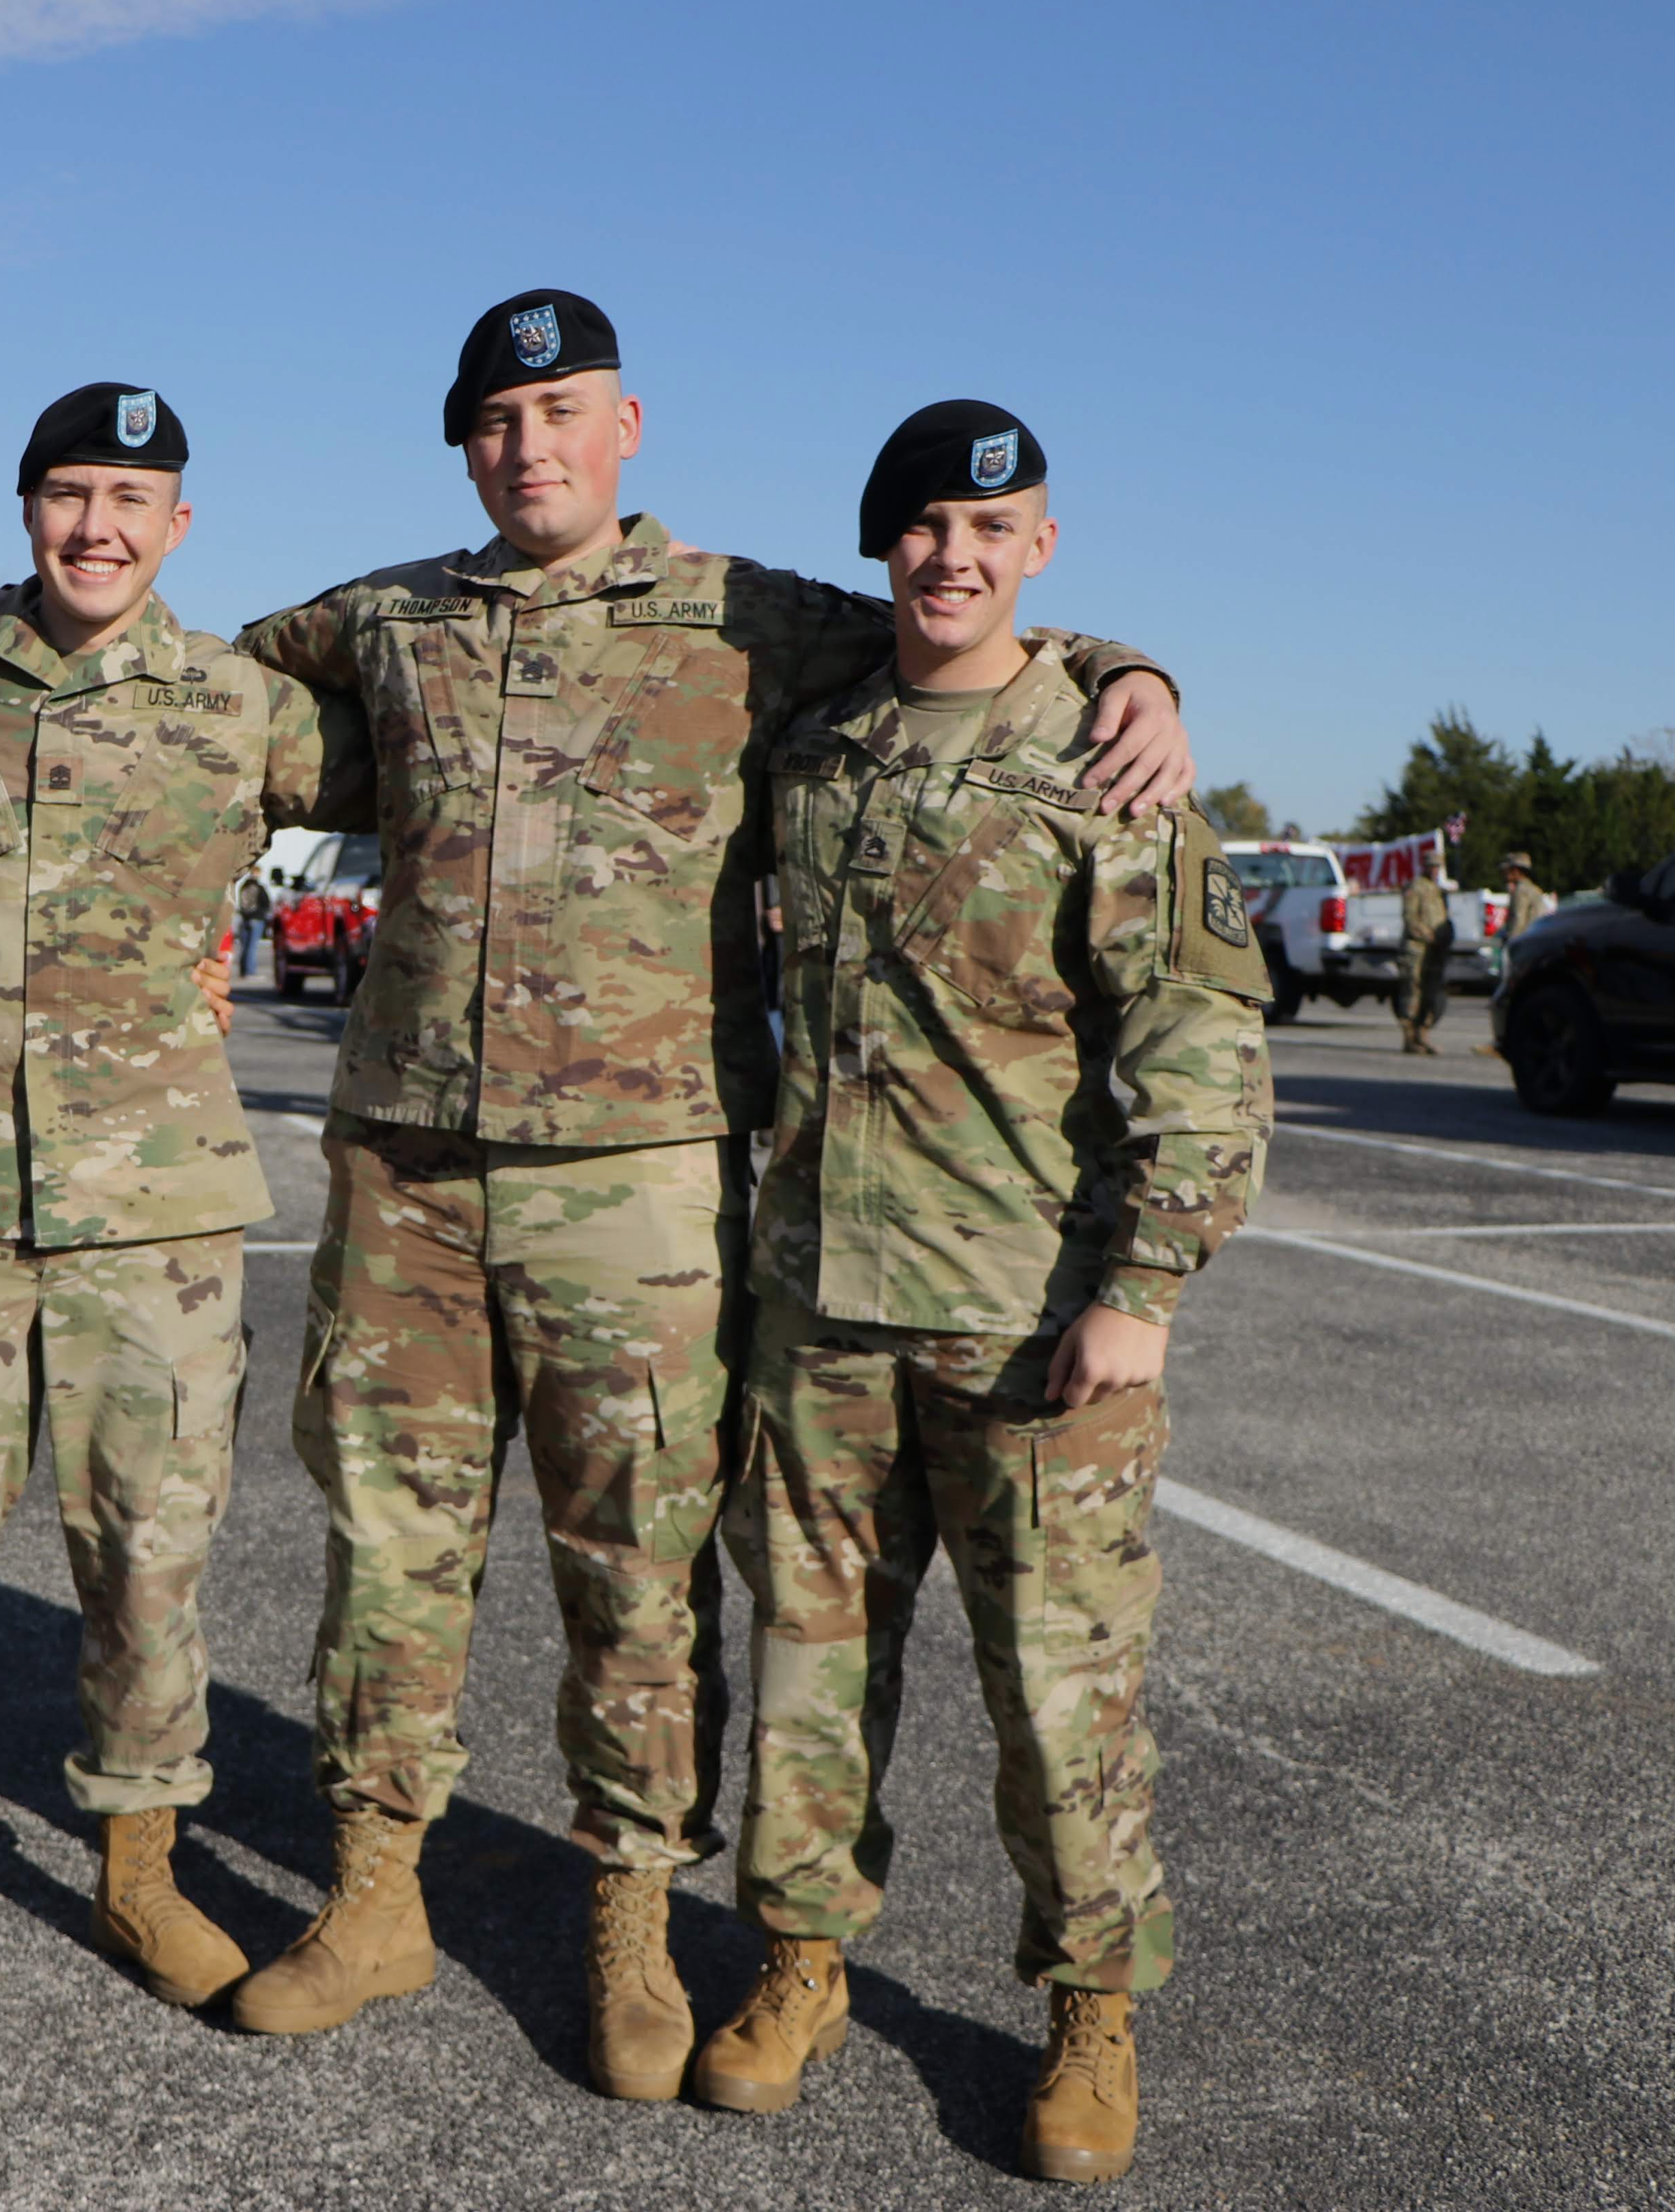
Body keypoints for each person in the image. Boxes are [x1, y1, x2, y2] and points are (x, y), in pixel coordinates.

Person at [203, 293, 1192, 2100]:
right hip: (407, 1174)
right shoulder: (387, 616)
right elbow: (198, 676)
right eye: (497, 420)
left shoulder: (744, 619)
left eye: (562, 410)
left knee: (638, 1573)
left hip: (640, 1182)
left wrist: (1139, 674)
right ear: (463, 444)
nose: (530, 445)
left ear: (628, 423)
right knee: (390, 1555)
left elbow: (963, 627)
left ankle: (632, 1927)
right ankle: (369, 1895)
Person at [696, 403, 1269, 2183]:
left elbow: (1199, 1039)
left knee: (1061, 1693)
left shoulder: (1109, 766)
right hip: (819, 1315)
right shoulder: (815, 751)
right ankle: (797, 1966)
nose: (952, 555)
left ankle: (1091, 2013)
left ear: (1041, 548)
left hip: (1033, 1322)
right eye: (923, 526)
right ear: (885, 547)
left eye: (988, 527)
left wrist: (1146, 1282)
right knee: (806, 1671)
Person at [0, 384, 367, 2011]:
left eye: (130, 498)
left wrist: (1128, 674)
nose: (95, 526)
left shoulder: (246, 707)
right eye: (67, 494)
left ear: (180, 524)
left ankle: (138, 1871)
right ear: (22, 508)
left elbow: (452, 754)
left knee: (147, 1559)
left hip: (153, 1213)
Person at [1398, 862, 1450, 1053]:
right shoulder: (1416, 887)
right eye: (1432, 867)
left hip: (1434, 950)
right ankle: (1409, 1038)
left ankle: (1423, 1034)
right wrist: (1429, 936)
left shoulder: (1437, 890)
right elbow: (1410, 918)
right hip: (1417, 948)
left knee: (1431, 992)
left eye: (1438, 867)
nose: (1435, 870)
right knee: (1413, 991)